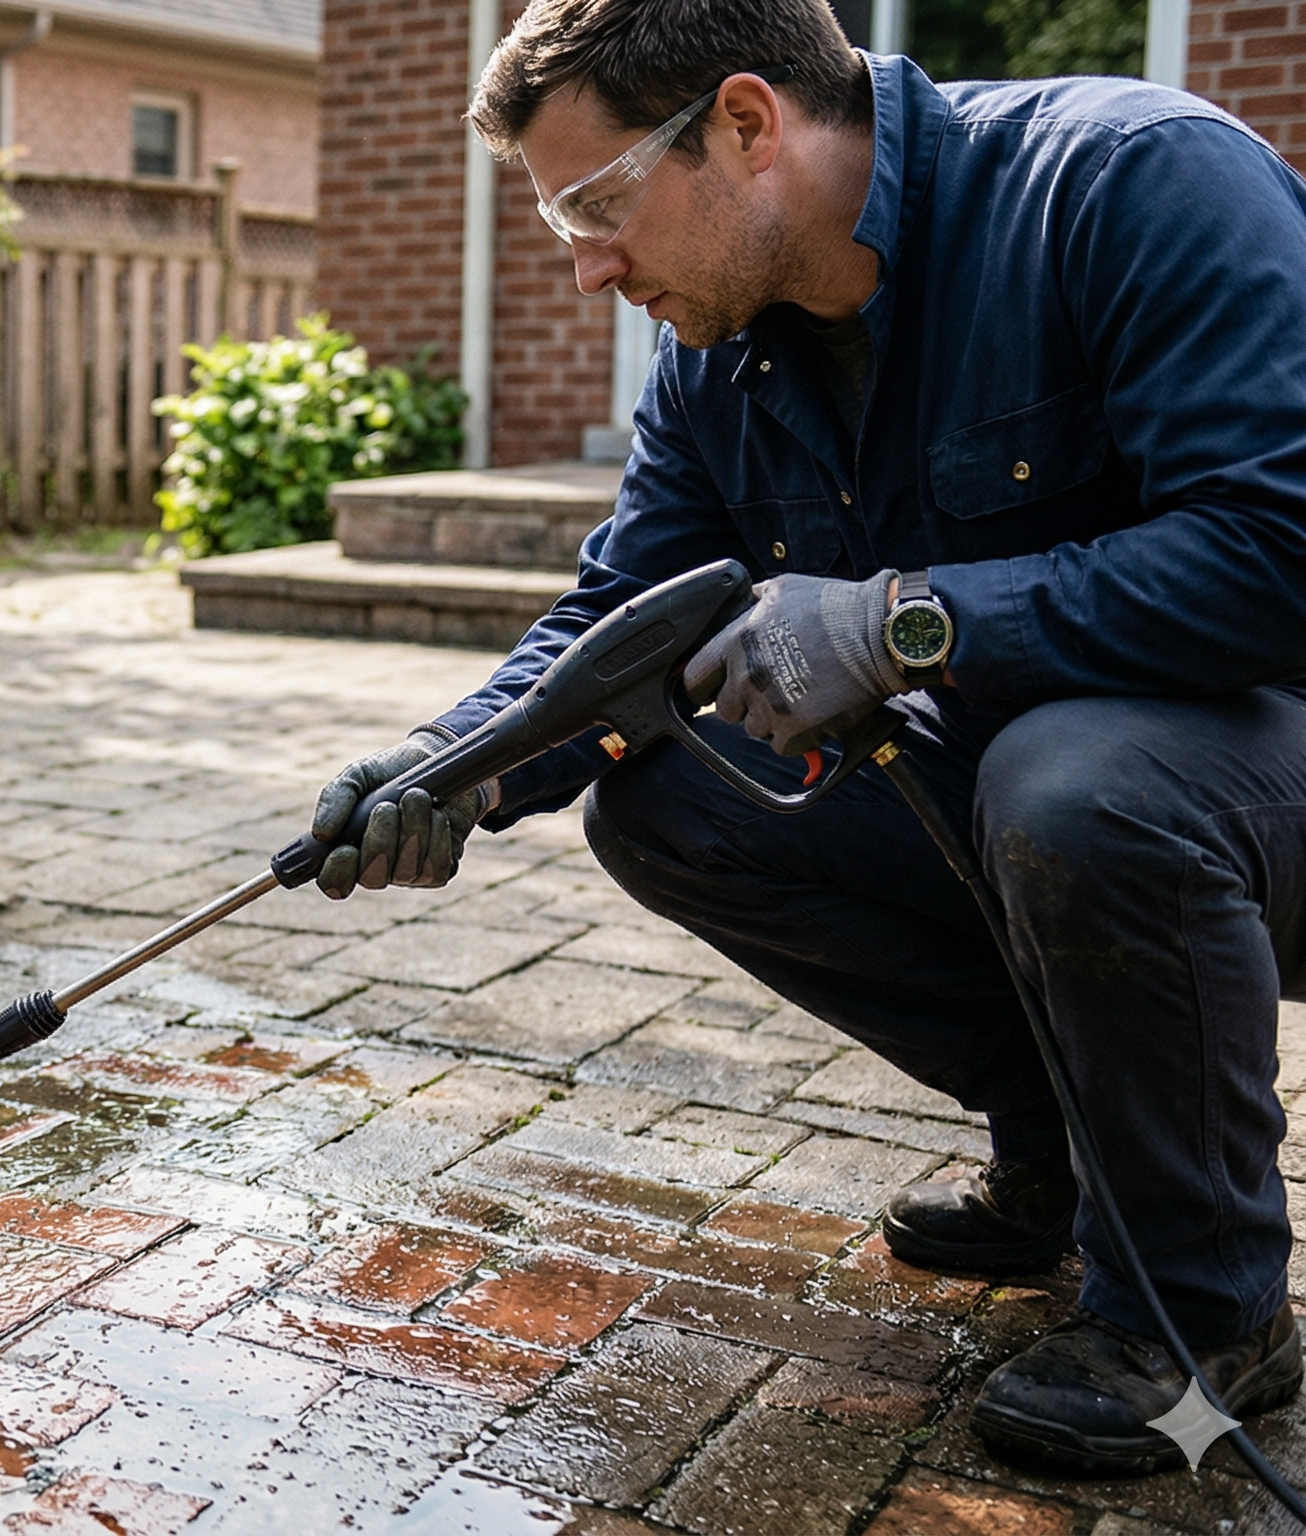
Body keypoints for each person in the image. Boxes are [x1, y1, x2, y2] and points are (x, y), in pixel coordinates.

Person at [314, 0, 1306, 1478]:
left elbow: (1275, 551)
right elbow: (620, 609)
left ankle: (1205, 1305)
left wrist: (905, 625)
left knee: (1076, 785)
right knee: (673, 798)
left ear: (745, 124)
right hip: (1056, 807)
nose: (587, 266)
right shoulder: (724, 353)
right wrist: (448, 765)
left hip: (1249, 776)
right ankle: (1073, 1143)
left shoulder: (1129, 180)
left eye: (595, 206)